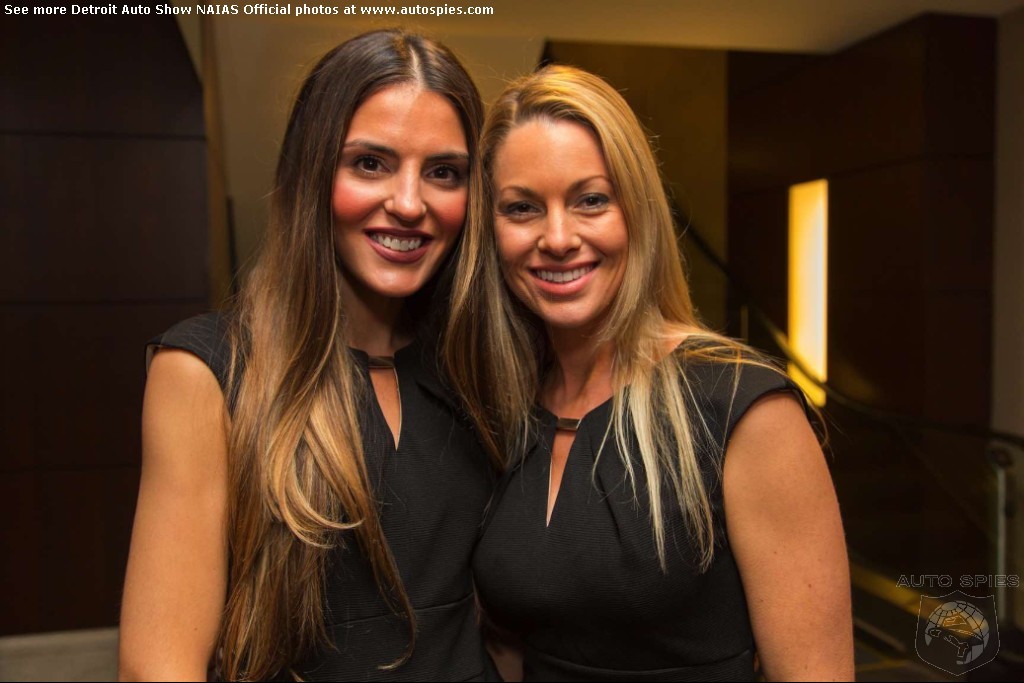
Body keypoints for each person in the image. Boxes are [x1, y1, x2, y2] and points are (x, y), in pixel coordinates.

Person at [443, 65, 853, 681]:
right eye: (522, 208)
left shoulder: (741, 406)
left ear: (637, 211)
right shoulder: (509, 406)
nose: (558, 238)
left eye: (590, 200)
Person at [118, 30, 497, 682]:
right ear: (312, 172)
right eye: (370, 163)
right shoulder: (210, 370)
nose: (409, 203)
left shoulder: (479, 369)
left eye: (444, 172)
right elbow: (158, 666)